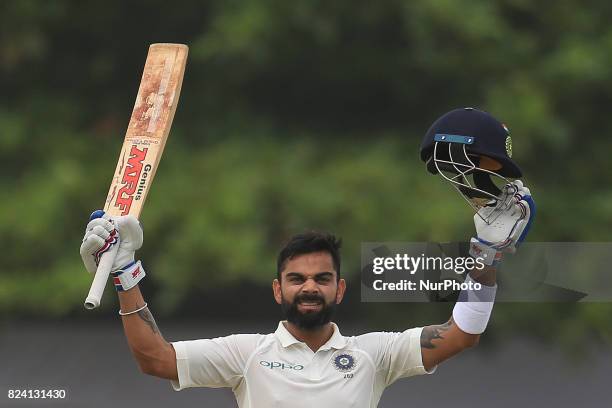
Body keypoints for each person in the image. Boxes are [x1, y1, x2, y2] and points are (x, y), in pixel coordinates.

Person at [80, 108, 535, 408]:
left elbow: (461, 335)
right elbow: (154, 359)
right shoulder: (247, 354)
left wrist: (485, 257)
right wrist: (124, 273)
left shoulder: (373, 355)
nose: (309, 287)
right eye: (296, 279)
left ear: (339, 288)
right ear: (278, 289)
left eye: (321, 278)